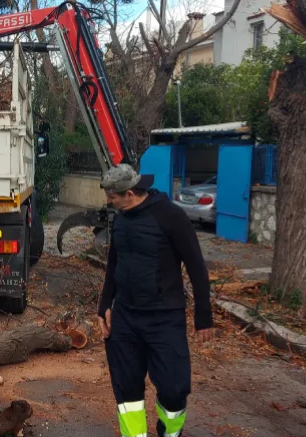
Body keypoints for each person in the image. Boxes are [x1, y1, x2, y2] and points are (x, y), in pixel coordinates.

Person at [97, 163, 213, 437]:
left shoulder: (170, 216)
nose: (109, 201)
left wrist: (203, 316)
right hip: (125, 317)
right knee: (126, 390)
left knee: (174, 389)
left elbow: (196, 265)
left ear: (129, 193)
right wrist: (104, 305)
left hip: (164, 317)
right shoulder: (121, 218)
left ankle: (169, 430)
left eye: (112, 196)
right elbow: (114, 262)